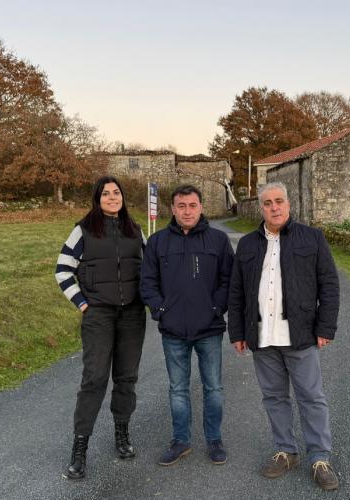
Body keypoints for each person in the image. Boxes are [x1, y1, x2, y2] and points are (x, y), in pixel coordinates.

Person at [227, 181, 340, 490]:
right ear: (260, 208)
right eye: (267, 203)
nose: (274, 207)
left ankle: (319, 457)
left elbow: (329, 284)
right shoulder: (248, 245)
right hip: (262, 336)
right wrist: (237, 331)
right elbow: (236, 291)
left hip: (300, 335)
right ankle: (285, 451)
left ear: (289, 204)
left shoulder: (312, 238)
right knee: (274, 397)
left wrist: (325, 327)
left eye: (279, 201)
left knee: (311, 397)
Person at [55, 176, 146, 480]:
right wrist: (82, 303)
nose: (111, 197)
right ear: (97, 198)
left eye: (116, 192)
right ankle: (79, 449)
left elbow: (150, 270)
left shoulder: (135, 231)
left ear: (123, 197)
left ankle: (122, 434)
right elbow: (63, 270)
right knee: (94, 379)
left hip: (132, 315)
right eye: (105, 193)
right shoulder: (83, 231)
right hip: (99, 315)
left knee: (126, 378)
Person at [140, 184, 234, 466]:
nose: (187, 211)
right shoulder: (157, 242)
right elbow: (147, 281)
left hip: (209, 329)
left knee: (213, 387)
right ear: (173, 209)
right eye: (181, 206)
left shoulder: (218, 240)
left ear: (201, 207)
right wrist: (160, 310)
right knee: (178, 389)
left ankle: (214, 439)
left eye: (192, 205)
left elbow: (228, 280)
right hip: (173, 331)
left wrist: (217, 309)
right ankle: (181, 440)